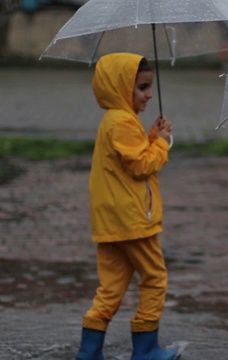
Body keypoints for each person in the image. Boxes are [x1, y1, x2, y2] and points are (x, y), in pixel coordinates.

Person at [76, 53, 178, 360]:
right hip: (132, 220)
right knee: (155, 278)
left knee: (111, 287)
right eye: (142, 87)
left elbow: (128, 159)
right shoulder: (121, 120)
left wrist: (150, 135)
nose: (148, 94)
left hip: (111, 222)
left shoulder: (117, 119)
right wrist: (161, 142)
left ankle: (89, 351)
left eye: (149, 87)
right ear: (121, 88)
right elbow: (141, 166)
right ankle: (146, 350)